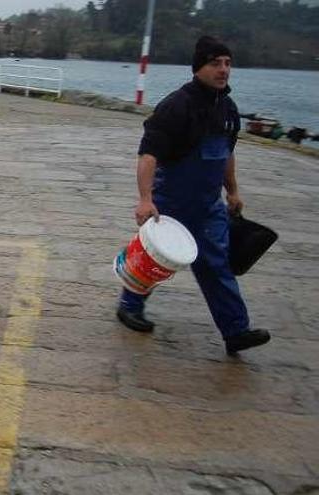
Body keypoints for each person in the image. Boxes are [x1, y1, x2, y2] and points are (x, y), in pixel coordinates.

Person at [116, 36, 271, 355]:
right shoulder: (176, 106)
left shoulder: (228, 109)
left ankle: (236, 331)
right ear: (199, 67)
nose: (223, 70)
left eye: (228, 63)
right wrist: (146, 199)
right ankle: (129, 305)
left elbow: (226, 153)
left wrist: (233, 191)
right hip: (170, 201)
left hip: (209, 205)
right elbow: (148, 155)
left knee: (217, 266)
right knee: (153, 260)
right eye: (216, 63)